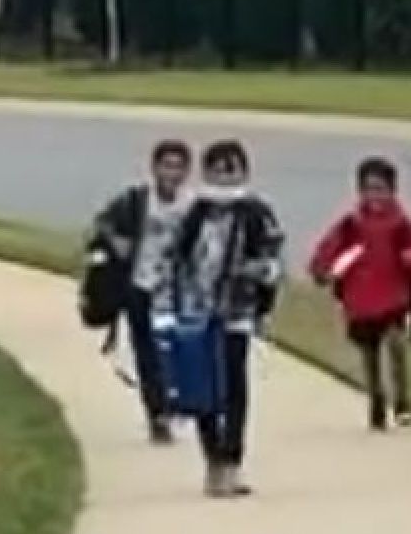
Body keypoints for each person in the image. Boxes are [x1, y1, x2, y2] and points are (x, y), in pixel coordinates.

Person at [159, 139, 283, 497]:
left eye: (232, 168)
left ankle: (232, 461)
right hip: (198, 314)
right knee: (202, 390)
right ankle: (212, 459)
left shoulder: (256, 213)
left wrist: (252, 274)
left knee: (233, 388)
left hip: (236, 313)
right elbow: (176, 257)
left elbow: (273, 260)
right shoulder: (195, 212)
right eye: (217, 168)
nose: (225, 176)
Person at [309, 157, 411, 432]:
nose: (374, 196)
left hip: (394, 298)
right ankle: (376, 400)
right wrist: (321, 269)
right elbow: (329, 248)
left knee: (396, 346)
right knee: (370, 356)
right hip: (361, 301)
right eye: (368, 189)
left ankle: (401, 401)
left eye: (381, 189)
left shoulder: (401, 225)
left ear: (393, 192)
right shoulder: (351, 225)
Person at [86, 139, 195, 443]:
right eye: (166, 165)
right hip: (140, 286)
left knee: (181, 349)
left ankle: (181, 404)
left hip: (178, 289)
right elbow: (102, 224)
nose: (172, 172)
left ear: (187, 171)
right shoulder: (135, 200)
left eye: (178, 166)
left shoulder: (193, 206)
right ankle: (158, 414)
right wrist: (116, 241)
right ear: (155, 168)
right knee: (148, 353)